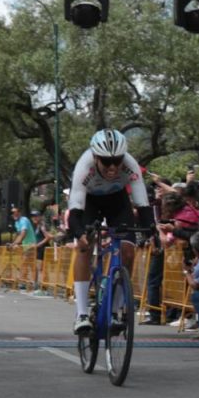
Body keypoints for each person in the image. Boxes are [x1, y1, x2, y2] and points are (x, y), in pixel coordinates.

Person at [67, 129, 154, 335]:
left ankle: (115, 311)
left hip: (117, 201)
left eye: (117, 160)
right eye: (107, 161)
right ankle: (82, 314)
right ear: (96, 157)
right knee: (84, 248)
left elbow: (142, 204)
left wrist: (152, 234)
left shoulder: (131, 165)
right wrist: (80, 234)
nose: (113, 167)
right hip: (89, 202)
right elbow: (75, 212)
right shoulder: (84, 167)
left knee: (128, 252)